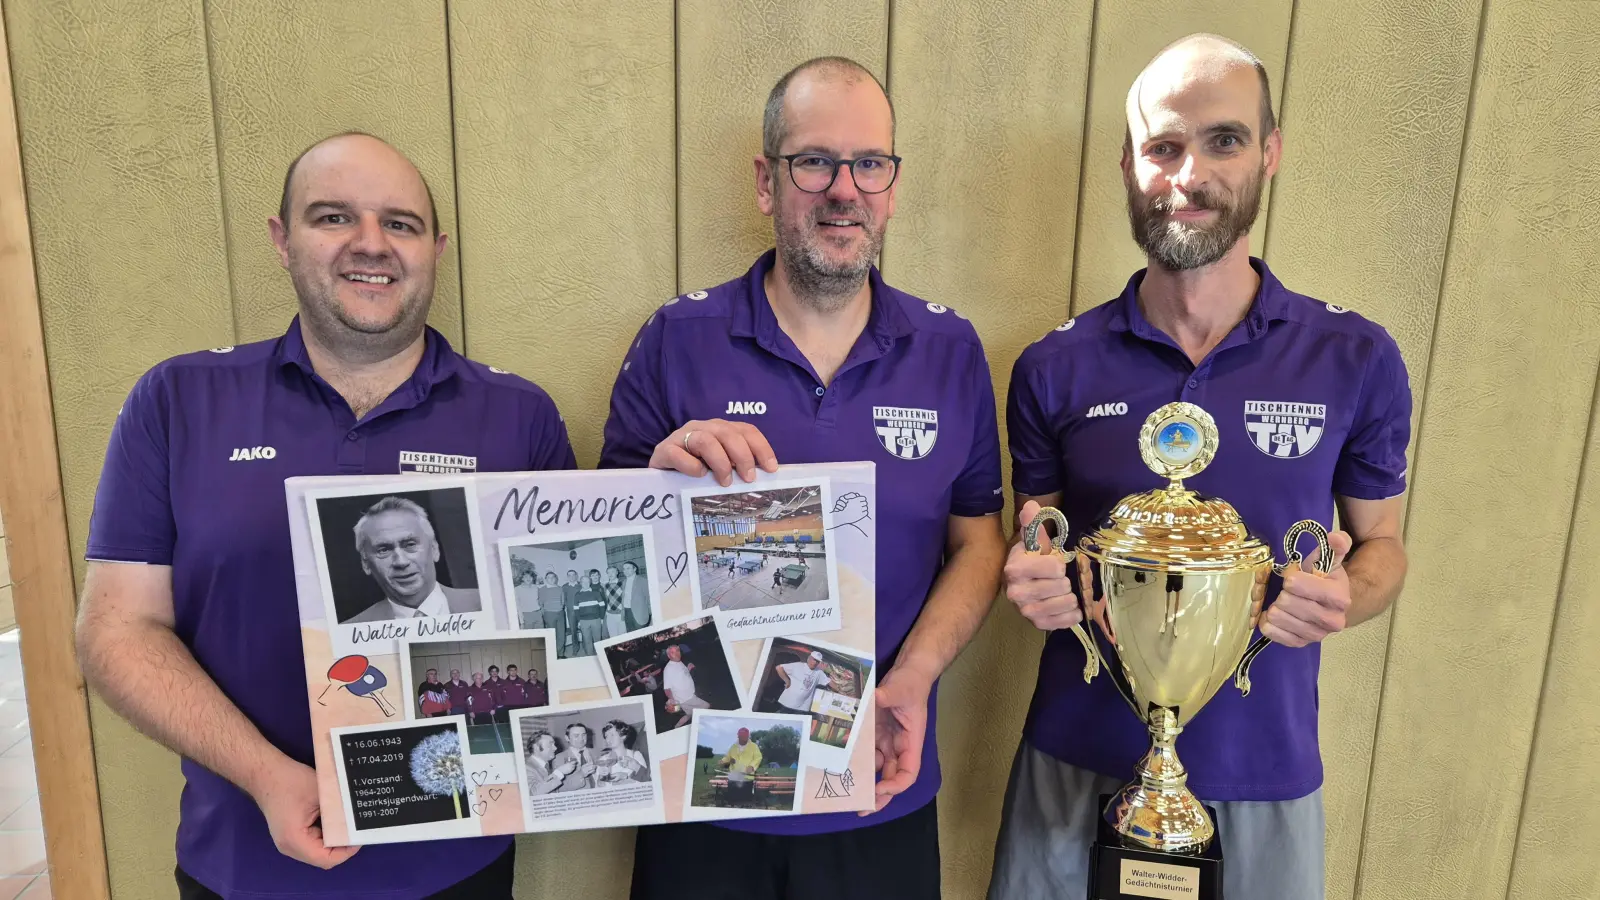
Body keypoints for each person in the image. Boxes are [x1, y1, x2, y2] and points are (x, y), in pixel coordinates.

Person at [74, 131, 576, 899]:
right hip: (243, 865)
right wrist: (267, 776)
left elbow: (569, 633)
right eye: (333, 217)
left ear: (436, 248)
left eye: (399, 223)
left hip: (458, 869)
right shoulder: (178, 401)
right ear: (281, 239)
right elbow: (116, 630)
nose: (369, 245)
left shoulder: (518, 417)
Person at [986, 35, 1411, 900]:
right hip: (1074, 764)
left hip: (1265, 771)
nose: (1189, 174)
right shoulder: (1053, 366)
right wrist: (1028, 572)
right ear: (1129, 166)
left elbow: (1384, 548)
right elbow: (1037, 531)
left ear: (1271, 152)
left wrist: (1347, 595)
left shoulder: (1354, 358)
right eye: (1163, 147)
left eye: (1224, 140)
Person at [602, 56, 1006, 900]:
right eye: (814, 162)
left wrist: (915, 677)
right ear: (766, 180)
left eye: (870, 165)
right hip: (700, 800)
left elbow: (978, 542)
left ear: (892, 186)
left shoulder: (950, 350)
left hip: (876, 786)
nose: (843, 190)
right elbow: (606, 557)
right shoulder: (678, 337)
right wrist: (656, 477)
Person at [344, 496, 480, 622]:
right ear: (366, 564)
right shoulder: (348, 631)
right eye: (383, 550)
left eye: (410, 544)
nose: (401, 562)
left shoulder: (486, 603)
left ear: (434, 549)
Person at [659, 643, 708, 728]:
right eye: (673, 652)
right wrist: (672, 701)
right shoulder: (668, 669)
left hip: (687, 696)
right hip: (686, 698)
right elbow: (667, 689)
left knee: (689, 714)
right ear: (669, 655)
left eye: (677, 651)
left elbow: (681, 675)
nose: (677, 653)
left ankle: (676, 727)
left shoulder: (678, 662)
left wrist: (688, 669)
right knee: (707, 707)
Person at [774, 650, 832, 715]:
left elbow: (829, 682)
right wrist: (787, 681)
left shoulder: (819, 672)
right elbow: (779, 668)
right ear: (809, 658)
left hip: (802, 707)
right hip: (788, 703)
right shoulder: (798, 665)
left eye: (817, 661)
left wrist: (840, 690)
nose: (815, 662)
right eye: (814, 660)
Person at [720, 727, 763, 807]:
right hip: (734, 777)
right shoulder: (733, 747)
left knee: (745, 800)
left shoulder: (754, 746)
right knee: (733, 799)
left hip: (747, 778)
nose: (744, 739)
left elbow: (758, 757)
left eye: (745, 737)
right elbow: (727, 757)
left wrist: (752, 766)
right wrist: (723, 761)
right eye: (742, 737)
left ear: (748, 736)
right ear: (738, 736)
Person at [597, 720, 650, 785]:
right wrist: (600, 780)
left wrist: (625, 777)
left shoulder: (636, 755)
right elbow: (598, 787)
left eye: (612, 735)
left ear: (623, 736)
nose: (608, 739)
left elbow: (646, 783)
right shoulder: (602, 760)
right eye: (606, 736)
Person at [554, 722, 599, 792]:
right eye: (576, 736)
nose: (581, 739)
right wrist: (581, 774)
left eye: (583, 735)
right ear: (567, 738)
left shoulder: (597, 752)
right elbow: (559, 789)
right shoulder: (558, 758)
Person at [524, 730, 567, 797]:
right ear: (536, 747)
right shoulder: (526, 767)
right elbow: (532, 792)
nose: (555, 748)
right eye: (550, 744)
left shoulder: (548, 766)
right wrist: (559, 772)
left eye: (554, 744)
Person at [536, 570, 568, 651]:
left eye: (552, 577)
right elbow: (540, 603)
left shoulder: (560, 588)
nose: (551, 579)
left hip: (560, 613)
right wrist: (545, 613)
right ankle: (553, 654)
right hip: (549, 614)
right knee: (552, 635)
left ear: (555, 578)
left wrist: (561, 607)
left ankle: (561, 653)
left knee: (561, 633)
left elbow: (563, 600)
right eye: (549, 578)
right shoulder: (542, 589)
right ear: (546, 579)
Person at [620, 559, 650, 630]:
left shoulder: (643, 581)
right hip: (627, 612)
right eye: (624, 569)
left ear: (635, 569)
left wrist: (650, 615)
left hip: (640, 613)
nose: (625, 571)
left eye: (628, 568)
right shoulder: (624, 582)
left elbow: (649, 599)